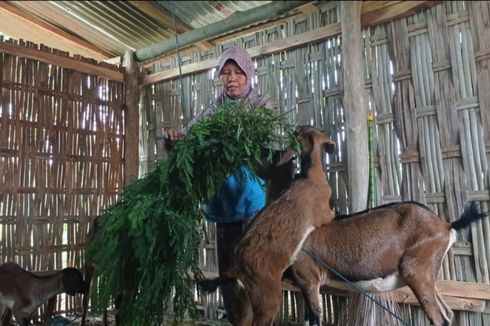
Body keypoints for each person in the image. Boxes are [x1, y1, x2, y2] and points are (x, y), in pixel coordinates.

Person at [165, 46, 274, 324]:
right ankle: (237, 320)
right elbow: (189, 140)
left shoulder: (262, 107)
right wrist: (176, 139)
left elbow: (273, 148)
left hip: (253, 205)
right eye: (225, 73)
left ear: (248, 74)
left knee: (255, 270)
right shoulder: (212, 111)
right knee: (228, 271)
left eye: (237, 72)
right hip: (224, 206)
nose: (231, 79)